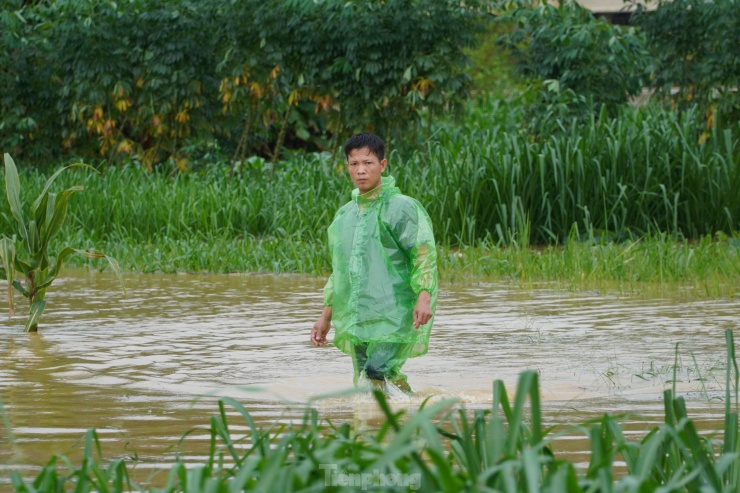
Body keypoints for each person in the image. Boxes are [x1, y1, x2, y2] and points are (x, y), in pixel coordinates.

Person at [310, 132, 438, 393]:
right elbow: (341, 272)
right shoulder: (345, 216)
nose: (361, 171)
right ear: (347, 166)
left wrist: (424, 296)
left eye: (368, 163)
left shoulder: (401, 207)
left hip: (395, 311)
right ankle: (400, 415)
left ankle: (405, 415)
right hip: (358, 314)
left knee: (376, 371)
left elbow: (423, 255)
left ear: (383, 165)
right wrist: (325, 317)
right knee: (367, 382)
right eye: (354, 164)